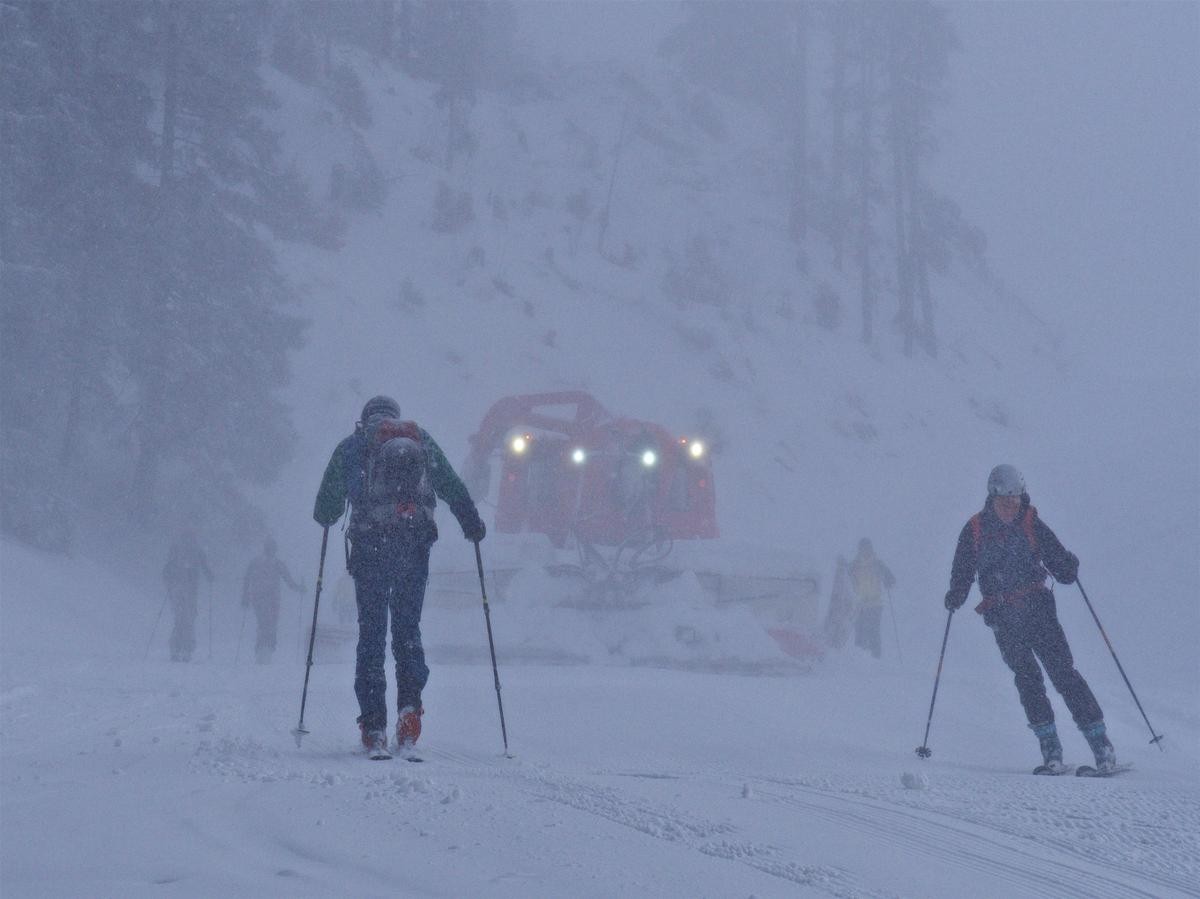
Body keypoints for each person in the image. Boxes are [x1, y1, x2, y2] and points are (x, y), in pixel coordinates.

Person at [313, 395, 486, 756]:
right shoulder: (420, 441)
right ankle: (409, 717)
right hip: (413, 545)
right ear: (395, 419)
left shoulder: (352, 446)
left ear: (365, 419)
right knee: (408, 631)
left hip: (369, 548)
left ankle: (373, 728)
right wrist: (471, 522)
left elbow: (324, 510)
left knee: (372, 636)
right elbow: (451, 484)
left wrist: (338, 508)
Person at [944, 464, 1116, 774]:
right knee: (1028, 680)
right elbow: (963, 570)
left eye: (1015, 499)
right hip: (1003, 616)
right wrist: (956, 594)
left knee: (1064, 673)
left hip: (1039, 611)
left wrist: (1067, 567)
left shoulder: (1031, 522)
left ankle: (1101, 745)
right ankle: (1051, 750)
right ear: (992, 498)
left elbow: (1057, 560)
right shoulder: (975, 529)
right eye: (1004, 501)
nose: (1011, 506)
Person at [241, 537, 304, 664]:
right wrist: (299, 588)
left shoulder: (255, 562)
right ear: (274, 549)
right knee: (270, 623)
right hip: (272, 599)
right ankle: (267, 649)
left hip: (257, 598)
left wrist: (245, 596)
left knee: (263, 622)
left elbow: (247, 579)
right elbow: (289, 581)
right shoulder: (277, 563)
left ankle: (261, 650)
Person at [163, 529, 214, 662]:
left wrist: (169, 582)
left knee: (180, 618)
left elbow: (167, 567)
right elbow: (205, 568)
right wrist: (210, 576)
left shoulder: (176, 548)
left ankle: (175, 648)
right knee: (188, 618)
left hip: (177, 589)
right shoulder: (197, 550)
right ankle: (186, 649)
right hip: (190, 590)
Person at [849, 538, 895, 659]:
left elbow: (891, 578)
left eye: (867, 548)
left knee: (873, 631)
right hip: (859, 604)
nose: (865, 551)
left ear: (870, 549)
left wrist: (888, 580)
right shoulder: (854, 565)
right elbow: (847, 578)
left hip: (875, 603)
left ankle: (875, 658)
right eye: (863, 548)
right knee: (859, 631)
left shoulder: (878, 564)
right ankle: (859, 659)